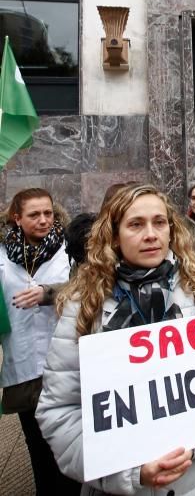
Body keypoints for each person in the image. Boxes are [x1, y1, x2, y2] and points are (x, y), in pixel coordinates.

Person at [36, 183, 195, 494]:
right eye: (135, 224)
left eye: (159, 222)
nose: (150, 234)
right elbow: (60, 411)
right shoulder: (83, 304)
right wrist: (131, 473)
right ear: (113, 234)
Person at [0, 188, 78, 495]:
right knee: (37, 444)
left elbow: (86, 290)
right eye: (34, 215)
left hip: (63, 361)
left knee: (69, 444)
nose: (44, 220)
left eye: (48, 213)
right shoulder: (3, 256)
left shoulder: (69, 250)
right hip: (22, 365)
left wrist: (49, 294)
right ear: (17, 218)